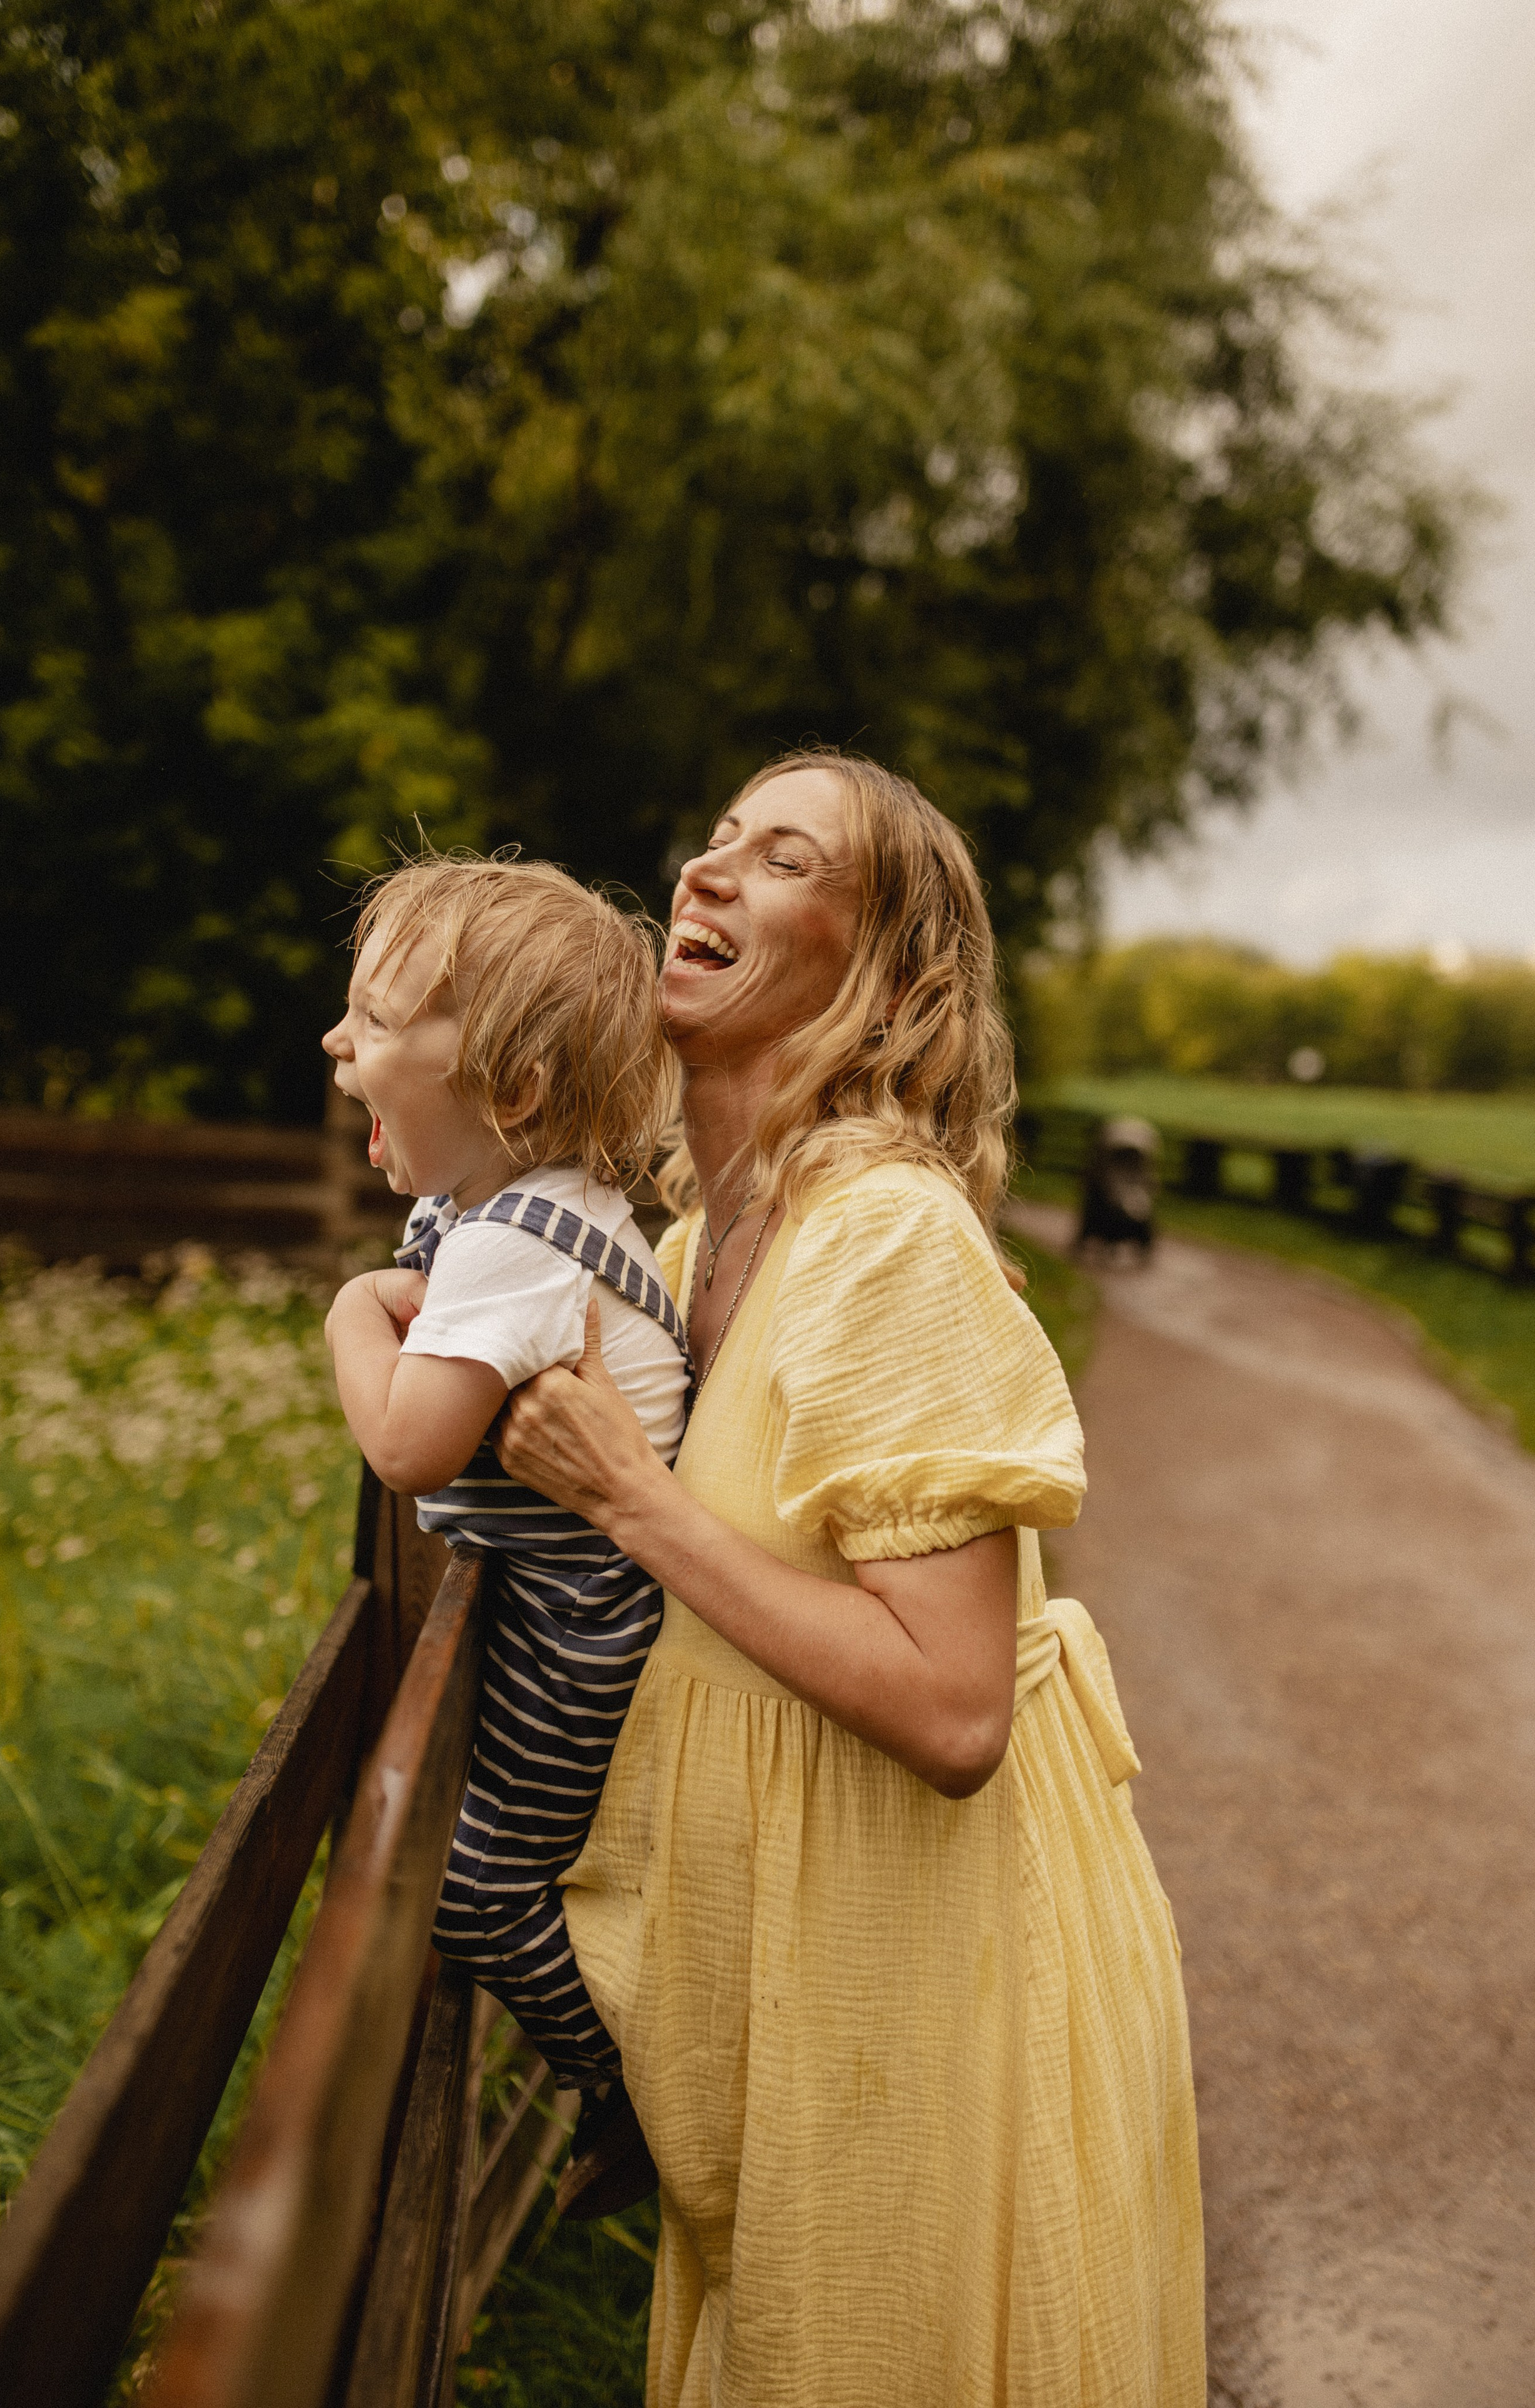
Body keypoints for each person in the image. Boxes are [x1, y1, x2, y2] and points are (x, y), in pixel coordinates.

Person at [493, 753, 1206, 2404]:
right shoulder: (684, 1255)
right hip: (795, 1991)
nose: (709, 871)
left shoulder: (886, 1244)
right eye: (716, 841)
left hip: (934, 1988)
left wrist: (631, 1502)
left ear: (889, 978)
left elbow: (956, 1707)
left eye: (783, 857)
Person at [321, 855, 690, 2212]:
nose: (335, 1039)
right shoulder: (512, 1215)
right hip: (564, 1598)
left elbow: (409, 1443)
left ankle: (625, 2093)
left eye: (371, 1015)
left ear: (512, 1094)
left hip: (582, 1622)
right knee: (471, 1852)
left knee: (476, 1883)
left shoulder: (514, 1248)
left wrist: (351, 1318)